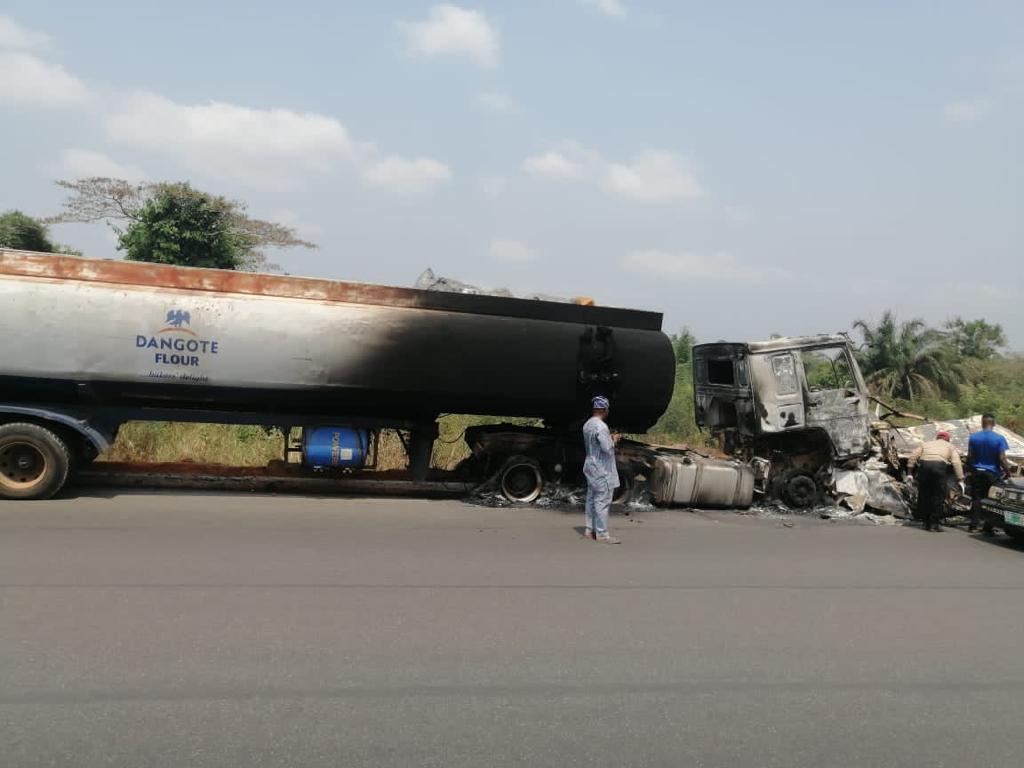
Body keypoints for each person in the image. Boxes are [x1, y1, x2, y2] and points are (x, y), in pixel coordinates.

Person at [582, 395, 621, 544]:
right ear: (605, 410)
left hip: (590, 465)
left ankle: (589, 530)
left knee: (591, 498)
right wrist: (614, 440)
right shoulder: (601, 426)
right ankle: (602, 534)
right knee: (602, 500)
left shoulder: (587, 424)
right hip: (601, 468)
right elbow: (607, 448)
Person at [907, 430, 964, 532]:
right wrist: (960, 479)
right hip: (939, 467)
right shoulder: (950, 446)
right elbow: (956, 462)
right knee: (938, 496)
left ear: (937, 438)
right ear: (948, 439)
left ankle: (926, 522)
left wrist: (910, 473)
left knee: (925, 494)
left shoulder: (926, 444)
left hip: (924, 466)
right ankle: (934, 524)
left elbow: (913, 456)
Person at [967, 413, 1012, 534]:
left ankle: (973, 526)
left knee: (977, 498)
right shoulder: (999, 438)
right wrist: (1008, 473)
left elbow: (970, 456)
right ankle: (988, 527)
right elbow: (1002, 458)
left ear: (982, 423)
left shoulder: (974, 437)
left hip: (977, 471)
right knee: (993, 499)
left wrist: (970, 471)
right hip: (993, 473)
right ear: (994, 424)